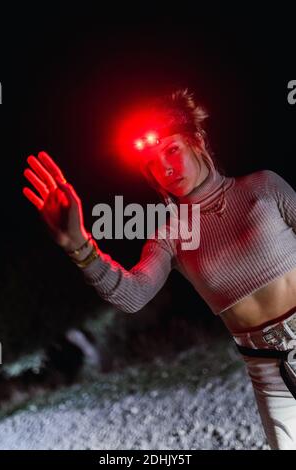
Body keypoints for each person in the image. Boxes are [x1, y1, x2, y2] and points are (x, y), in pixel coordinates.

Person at [23, 88, 296, 449]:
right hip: (268, 372)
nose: (165, 168)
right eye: (152, 163)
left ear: (196, 140)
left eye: (171, 150)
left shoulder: (262, 186)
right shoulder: (171, 235)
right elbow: (133, 296)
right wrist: (79, 245)